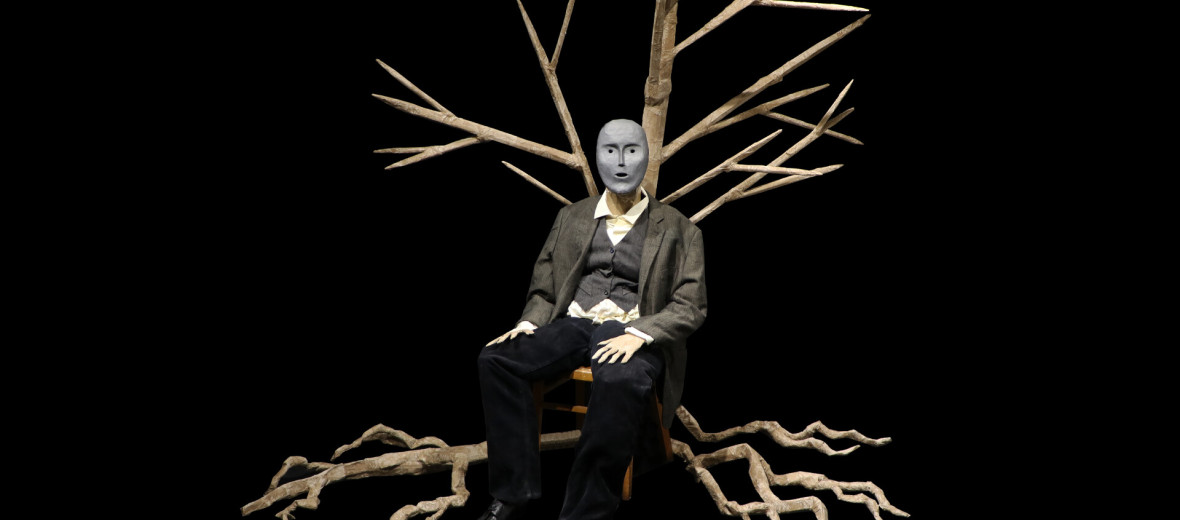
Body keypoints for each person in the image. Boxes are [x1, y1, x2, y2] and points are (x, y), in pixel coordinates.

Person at [476, 119, 707, 520]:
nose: (621, 162)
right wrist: (527, 324)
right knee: (496, 359)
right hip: (575, 321)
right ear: (597, 158)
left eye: (631, 150)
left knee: (619, 379)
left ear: (647, 157)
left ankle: (586, 510)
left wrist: (641, 334)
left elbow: (690, 305)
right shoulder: (571, 216)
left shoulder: (680, 229)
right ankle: (513, 490)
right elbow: (544, 287)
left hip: (632, 327)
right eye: (610, 151)